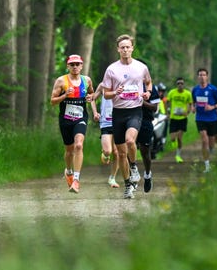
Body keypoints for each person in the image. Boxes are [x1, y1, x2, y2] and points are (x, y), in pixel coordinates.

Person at [99, 34, 153, 199]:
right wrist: (116, 92)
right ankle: (128, 184)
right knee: (121, 154)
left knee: (130, 141)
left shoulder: (141, 67)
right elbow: (106, 94)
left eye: (127, 47)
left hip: (135, 110)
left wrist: (148, 92)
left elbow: (149, 82)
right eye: (122, 47)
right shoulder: (111, 69)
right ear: (118, 50)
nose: (125, 50)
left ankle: (134, 166)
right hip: (118, 113)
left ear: (132, 48)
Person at [49, 53, 96, 193]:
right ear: (68, 66)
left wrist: (92, 105)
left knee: (79, 145)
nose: (75, 67)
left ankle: (76, 179)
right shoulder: (61, 81)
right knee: (69, 151)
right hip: (65, 119)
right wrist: (64, 95)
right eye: (72, 64)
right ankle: (68, 171)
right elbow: (52, 101)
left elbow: (92, 96)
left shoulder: (86, 80)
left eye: (77, 64)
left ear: (81, 66)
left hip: (81, 118)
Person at [191, 68, 217, 172]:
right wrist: (193, 108)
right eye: (200, 75)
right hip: (200, 118)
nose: (202, 77)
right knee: (205, 140)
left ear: (207, 76)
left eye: (204, 75)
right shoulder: (195, 90)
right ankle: (207, 165)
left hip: (212, 118)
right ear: (198, 77)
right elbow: (193, 102)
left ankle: (211, 152)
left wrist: (212, 107)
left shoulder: (213, 89)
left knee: (211, 143)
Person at [135, 80, 162, 192]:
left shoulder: (151, 88)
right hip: (129, 119)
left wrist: (142, 102)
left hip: (145, 121)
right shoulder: (127, 85)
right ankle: (133, 173)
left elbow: (155, 108)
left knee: (145, 151)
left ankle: (147, 174)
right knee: (128, 146)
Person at [164, 77, 192, 162]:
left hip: (182, 118)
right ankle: (173, 144)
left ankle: (178, 155)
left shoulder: (187, 94)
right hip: (173, 118)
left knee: (179, 138)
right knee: (173, 138)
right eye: (178, 83)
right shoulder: (172, 92)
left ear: (184, 85)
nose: (180, 85)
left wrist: (187, 112)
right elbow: (167, 102)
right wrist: (167, 113)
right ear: (176, 85)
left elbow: (190, 104)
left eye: (181, 83)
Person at [96, 93, 119, 187]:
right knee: (108, 151)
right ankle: (105, 153)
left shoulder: (122, 83)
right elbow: (92, 97)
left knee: (116, 152)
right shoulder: (103, 86)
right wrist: (95, 112)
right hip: (105, 122)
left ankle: (112, 178)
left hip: (118, 121)